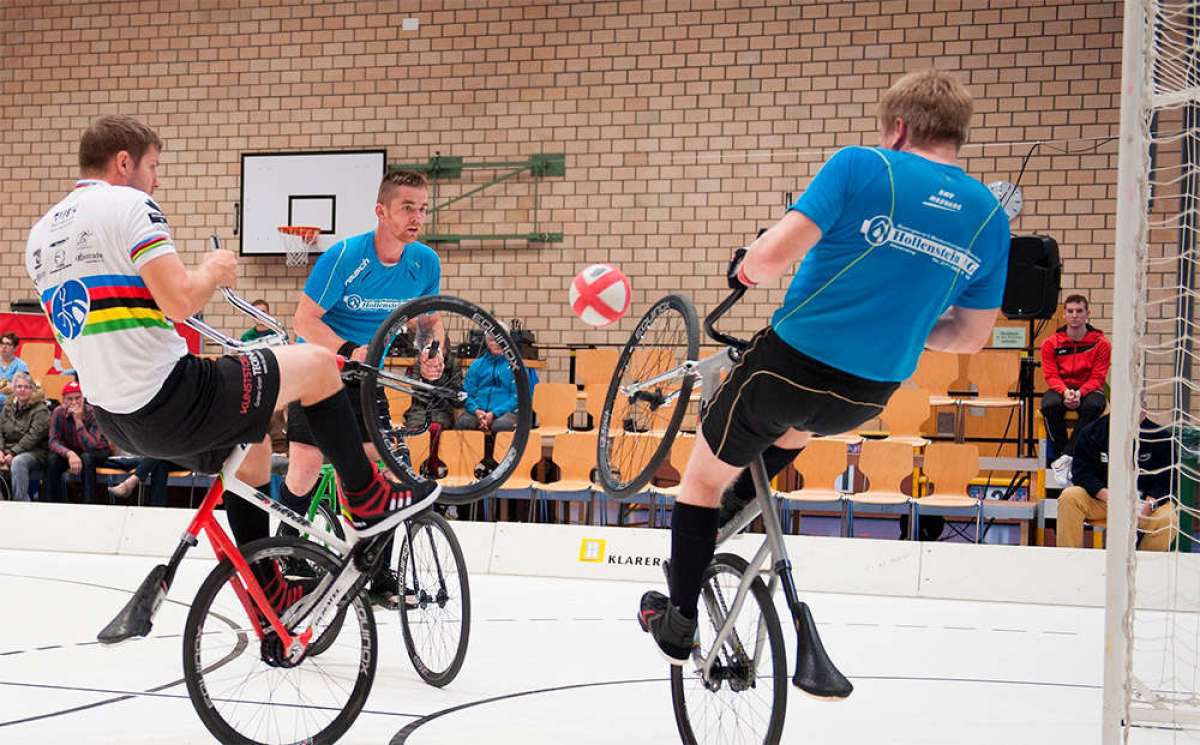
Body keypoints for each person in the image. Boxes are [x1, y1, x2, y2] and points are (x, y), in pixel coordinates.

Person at [637, 71, 1010, 695]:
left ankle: (677, 624)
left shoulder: (863, 166)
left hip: (790, 364)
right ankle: (740, 507)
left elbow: (770, 258)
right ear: (956, 134)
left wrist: (746, 266)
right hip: (868, 392)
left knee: (698, 481)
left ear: (898, 128)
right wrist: (905, 324)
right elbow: (970, 337)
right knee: (800, 424)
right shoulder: (989, 217)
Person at [24, 115, 438, 603]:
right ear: (123, 162)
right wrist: (211, 269)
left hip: (117, 419)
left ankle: (270, 597)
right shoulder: (131, 204)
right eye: (153, 166)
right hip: (175, 394)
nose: (156, 180)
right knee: (318, 365)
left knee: (255, 446)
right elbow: (181, 302)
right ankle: (368, 500)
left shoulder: (40, 236)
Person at [282, 168, 446, 608]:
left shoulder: (424, 263)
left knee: (386, 472)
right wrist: (350, 349)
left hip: (365, 375)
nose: (416, 217)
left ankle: (380, 575)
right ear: (381, 210)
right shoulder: (344, 257)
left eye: (422, 208)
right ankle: (286, 550)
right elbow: (303, 322)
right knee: (305, 466)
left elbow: (429, 321)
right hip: (317, 366)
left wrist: (431, 352)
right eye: (407, 207)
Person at [1058, 413, 1177, 551]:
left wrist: (1148, 506)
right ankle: (1070, 560)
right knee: (1070, 497)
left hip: (1143, 505)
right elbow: (1082, 473)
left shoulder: (1161, 437)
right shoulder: (1092, 432)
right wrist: (1108, 496)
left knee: (1168, 518)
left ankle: (1141, 567)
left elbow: (1167, 480)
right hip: (1104, 501)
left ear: (1144, 411)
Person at [1041, 294, 1110, 482]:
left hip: (1087, 388)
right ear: (1064, 314)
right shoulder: (1050, 343)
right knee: (1049, 405)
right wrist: (1065, 391)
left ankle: (1068, 456)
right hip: (1062, 387)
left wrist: (1080, 393)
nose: (1074, 315)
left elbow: (1098, 377)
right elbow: (1050, 375)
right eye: (1070, 311)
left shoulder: (1101, 343)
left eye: (1079, 311)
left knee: (1095, 405)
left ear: (1088, 314)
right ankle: (1062, 456)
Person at [455, 327, 537, 432]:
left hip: (507, 412)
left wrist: (494, 414)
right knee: (463, 423)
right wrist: (476, 411)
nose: (497, 343)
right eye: (492, 340)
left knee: (501, 426)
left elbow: (519, 397)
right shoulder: (476, 365)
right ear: (486, 341)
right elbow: (467, 393)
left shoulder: (516, 366)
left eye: (500, 339)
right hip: (479, 412)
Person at [44, 380, 113, 503]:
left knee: (87, 457)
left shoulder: (92, 412)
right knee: (52, 459)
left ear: (83, 397)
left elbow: (91, 446)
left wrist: (78, 421)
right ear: (63, 400)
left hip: (98, 451)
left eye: (78, 398)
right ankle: (52, 504)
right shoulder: (58, 412)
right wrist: (69, 453)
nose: (74, 402)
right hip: (72, 452)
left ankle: (89, 504)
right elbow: (53, 441)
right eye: (69, 399)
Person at [0, 372, 50, 501]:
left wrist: (12, 452)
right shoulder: (8, 406)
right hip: (7, 450)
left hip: (34, 452)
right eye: (19, 386)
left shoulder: (41, 410)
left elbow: (33, 437)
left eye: (26, 387)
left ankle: (21, 503)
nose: (22, 390)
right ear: (14, 389)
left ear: (32, 389)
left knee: (18, 462)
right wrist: (0, 450)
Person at [107, 456, 174, 507]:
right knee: (161, 465)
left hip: (181, 459)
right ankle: (156, 508)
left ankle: (130, 483)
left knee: (158, 455)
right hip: (164, 458)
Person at [0, 332, 30, 408]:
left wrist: (11, 387)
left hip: (12, 406)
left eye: (8, 344)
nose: (4, 346)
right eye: (2, 343)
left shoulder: (21, 366)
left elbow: (21, 388)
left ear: (15, 348)